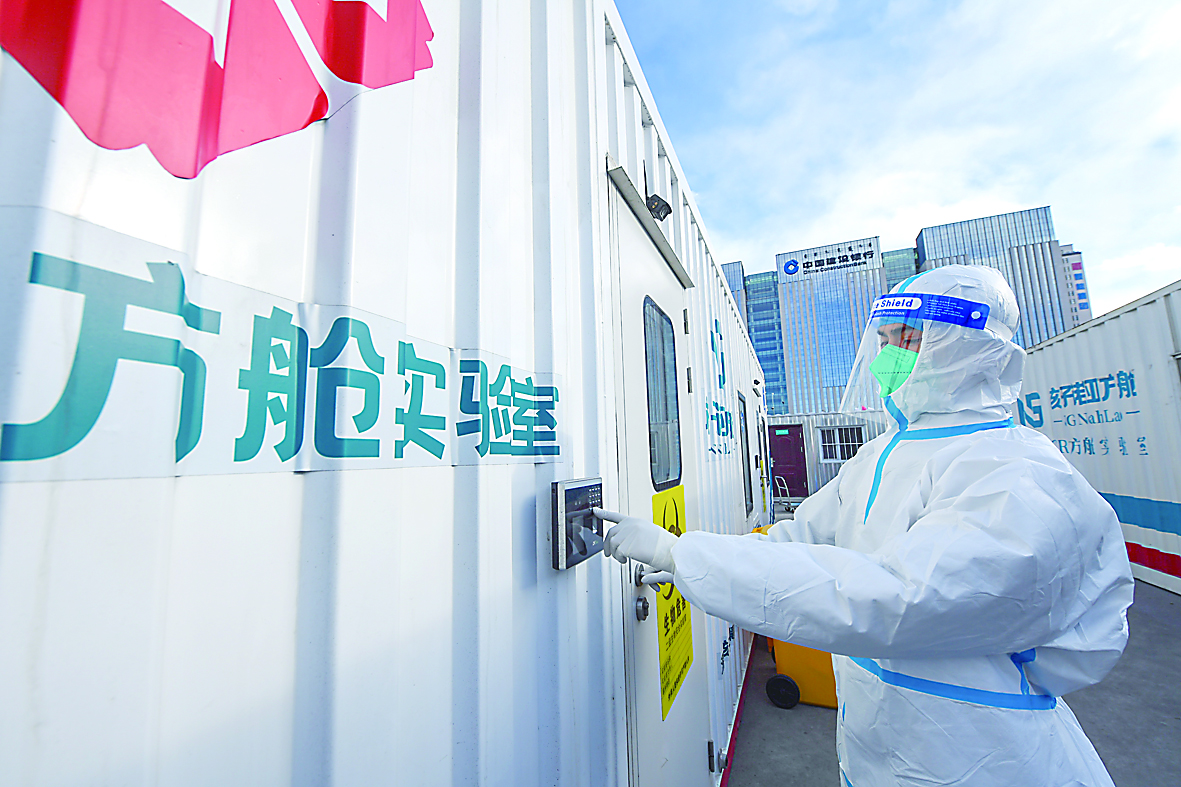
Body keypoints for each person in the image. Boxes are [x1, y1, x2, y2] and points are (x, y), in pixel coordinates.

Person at [594, 265, 1133, 787]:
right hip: (876, 741)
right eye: (884, 340)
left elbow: (897, 599)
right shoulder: (881, 457)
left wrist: (684, 556)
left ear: (968, 347)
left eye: (907, 339)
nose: (888, 356)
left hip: (982, 752)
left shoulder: (1016, 471)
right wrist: (690, 556)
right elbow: (799, 538)